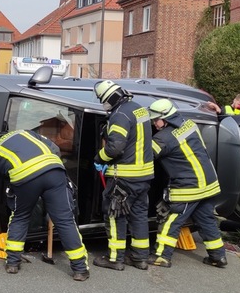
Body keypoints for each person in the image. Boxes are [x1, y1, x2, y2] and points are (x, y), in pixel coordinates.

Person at [0, 130, 89, 281]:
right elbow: (55, 148)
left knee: (20, 216)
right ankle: (80, 269)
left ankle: (12, 263)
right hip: (54, 171)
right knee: (65, 220)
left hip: (25, 178)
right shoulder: (24, 133)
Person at [146, 99, 227, 268]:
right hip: (209, 182)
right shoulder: (189, 124)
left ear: (165, 118)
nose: (154, 124)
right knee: (206, 220)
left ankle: (162, 256)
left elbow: (144, 156)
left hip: (189, 187)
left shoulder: (163, 138)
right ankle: (218, 256)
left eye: (155, 120)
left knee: (172, 219)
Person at [92, 80, 154, 271]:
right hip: (143, 177)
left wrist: (99, 157)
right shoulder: (139, 109)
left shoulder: (119, 115)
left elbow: (115, 148)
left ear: (109, 99)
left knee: (115, 215)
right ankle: (140, 258)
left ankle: (115, 258)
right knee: (139, 216)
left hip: (124, 177)